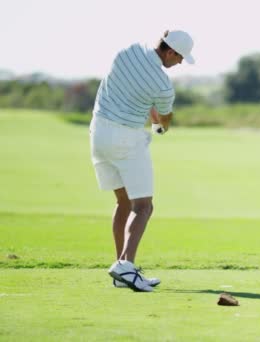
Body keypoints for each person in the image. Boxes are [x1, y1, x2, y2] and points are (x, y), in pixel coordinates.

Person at [89, 30, 195, 292]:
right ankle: (126, 265)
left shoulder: (128, 51)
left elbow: (137, 94)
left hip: (98, 133)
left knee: (123, 201)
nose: (180, 63)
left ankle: (120, 269)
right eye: (180, 57)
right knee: (144, 206)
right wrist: (159, 127)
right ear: (170, 52)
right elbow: (164, 119)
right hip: (126, 138)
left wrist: (152, 113)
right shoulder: (162, 84)